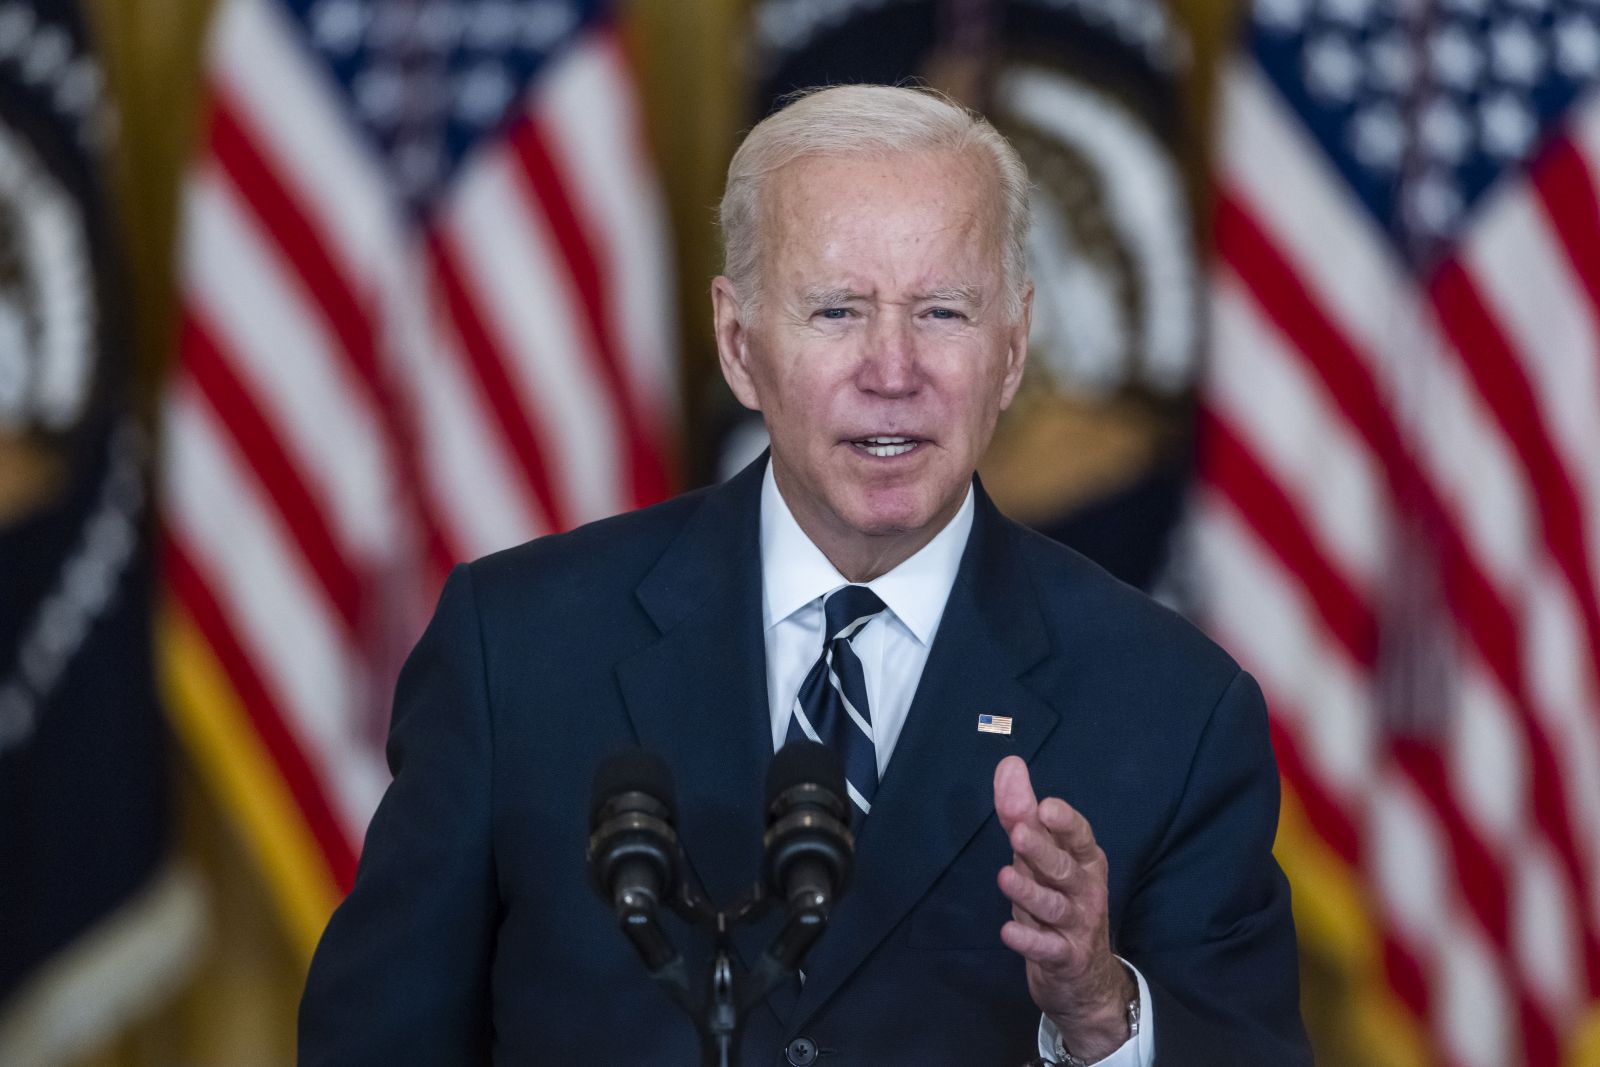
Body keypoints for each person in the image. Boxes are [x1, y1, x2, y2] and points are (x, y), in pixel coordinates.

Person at [299, 85, 1310, 1066]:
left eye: (943, 313)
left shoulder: (1172, 709)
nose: (892, 368)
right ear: (739, 345)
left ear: (1011, 350)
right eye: (836, 310)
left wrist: (1102, 1013)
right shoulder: (516, 650)